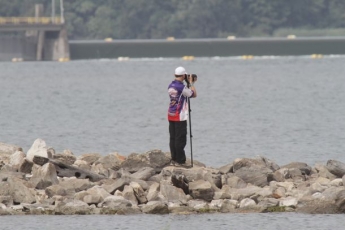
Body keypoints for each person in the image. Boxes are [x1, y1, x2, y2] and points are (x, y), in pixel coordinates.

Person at [167, 66, 197, 166]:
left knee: (173, 138)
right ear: (183, 75)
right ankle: (180, 161)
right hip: (179, 115)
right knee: (180, 139)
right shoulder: (181, 87)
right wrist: (191, 83)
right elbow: (193, 94)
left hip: (171, 114)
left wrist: (186, 83)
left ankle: (174, 158)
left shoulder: (171, 85)